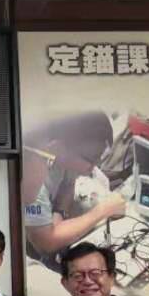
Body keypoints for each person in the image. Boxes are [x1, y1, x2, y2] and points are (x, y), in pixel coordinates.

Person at [21, 112, 127, 271]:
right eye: (91, 159)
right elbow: (45, 244)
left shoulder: (64, 157)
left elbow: (68, 184)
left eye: (99, 158)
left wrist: (59, 213)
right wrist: (103, 211)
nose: (95, 165)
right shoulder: (33, 179)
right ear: (56, 148)